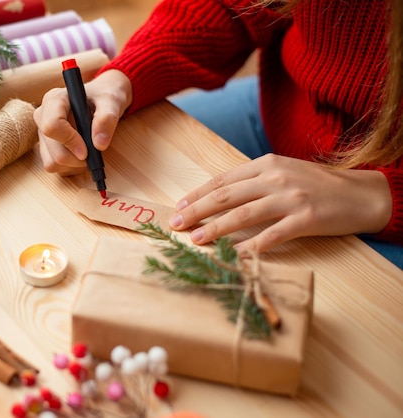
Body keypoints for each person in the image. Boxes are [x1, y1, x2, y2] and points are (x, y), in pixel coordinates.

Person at [33, 0, 403, 268]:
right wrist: (121, 79)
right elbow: (230, 8)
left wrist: (379, 196)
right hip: (283, 110)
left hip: (382, 206)